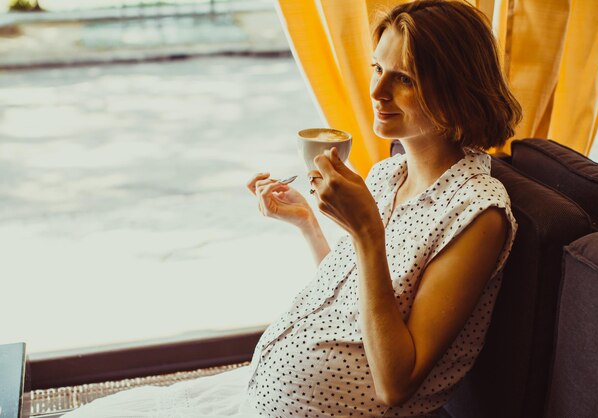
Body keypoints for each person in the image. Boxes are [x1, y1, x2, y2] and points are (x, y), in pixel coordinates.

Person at [62, 1, 522, 417]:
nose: (377, 90)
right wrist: (309, 226)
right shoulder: (388, 175)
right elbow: (356, 302)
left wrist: (366, 233)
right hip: (257, 397)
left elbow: (396, 383)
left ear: (457, 89)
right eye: (376, 68)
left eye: (404, 78)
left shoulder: (477, 213)